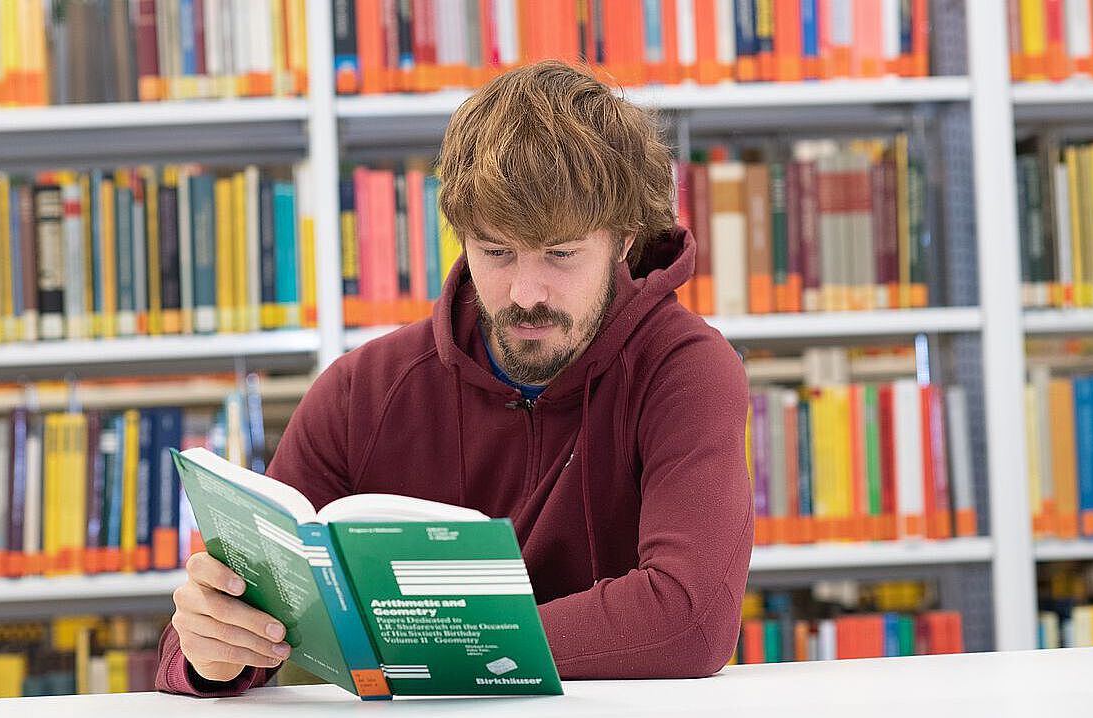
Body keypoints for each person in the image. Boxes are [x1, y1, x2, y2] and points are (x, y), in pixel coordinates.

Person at [156, 60, 753, 697]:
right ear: (461, 238)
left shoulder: (684, 371)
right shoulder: (364, 391)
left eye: (561, 254)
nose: (527, 293)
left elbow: (691, 617)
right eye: (495, 252)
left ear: (624, 240)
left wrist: (447, 644)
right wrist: (208, 651)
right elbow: (220, 632)